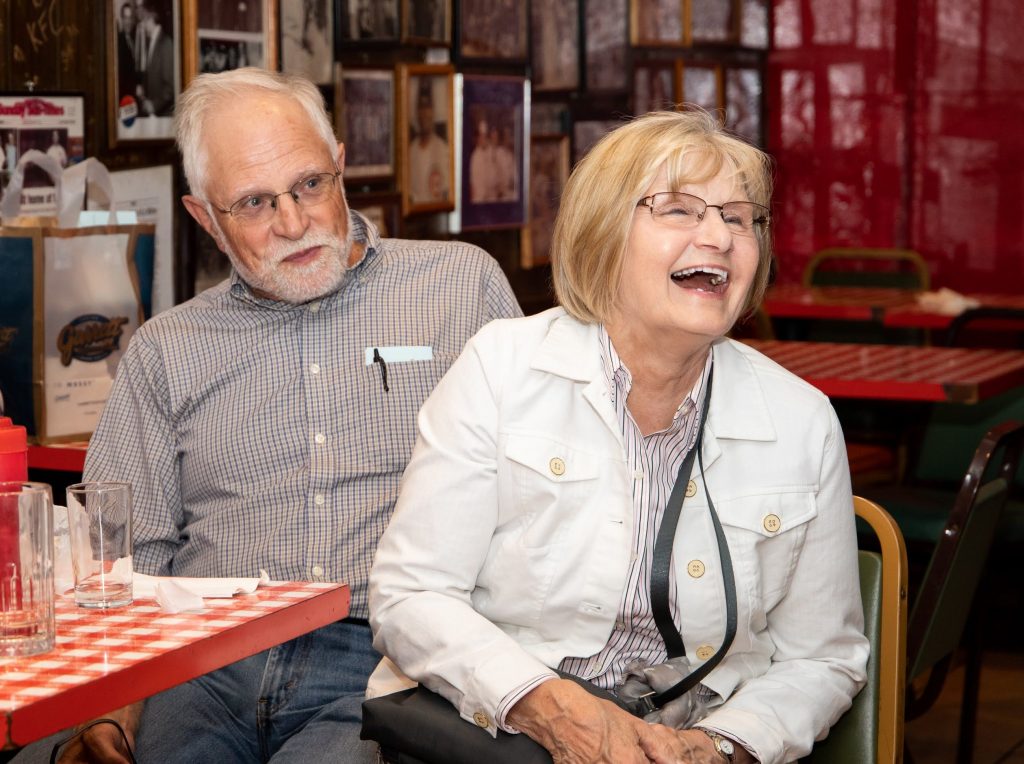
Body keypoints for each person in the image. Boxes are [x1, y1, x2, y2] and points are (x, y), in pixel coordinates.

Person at [15, 68, 519, 764]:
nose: (293, 221)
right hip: (203, 664)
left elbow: (538, 504)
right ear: (205, 220)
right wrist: (111, 714)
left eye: (311, 184)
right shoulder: (166, 351)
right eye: (253, 202)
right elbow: (125, 558)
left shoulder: (460, 287)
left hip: (383, 660)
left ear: (341, 164)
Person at [369, 109, 868, 763]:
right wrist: (552, 708)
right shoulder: (501, 369)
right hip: (505, 725)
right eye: (681, 210)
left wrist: (720, 748)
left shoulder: (802, 420)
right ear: (605, 232)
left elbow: (823, 659)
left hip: (695, 735)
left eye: (740, 217)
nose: (719, 235)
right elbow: (412, 596)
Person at [407, 82, 450, 204]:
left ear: (433, 113)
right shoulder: (411, 150)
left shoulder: (443, 149)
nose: (424, 114)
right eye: (421, 109)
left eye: (428, 109)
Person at [135, 3, 174, 117]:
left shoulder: (165, 43)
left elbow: (170, 87)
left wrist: (154, 105)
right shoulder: (151, 42)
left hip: (163, 115)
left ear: (150, 18)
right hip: (153, 115)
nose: (141, 26)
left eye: (143, 21)